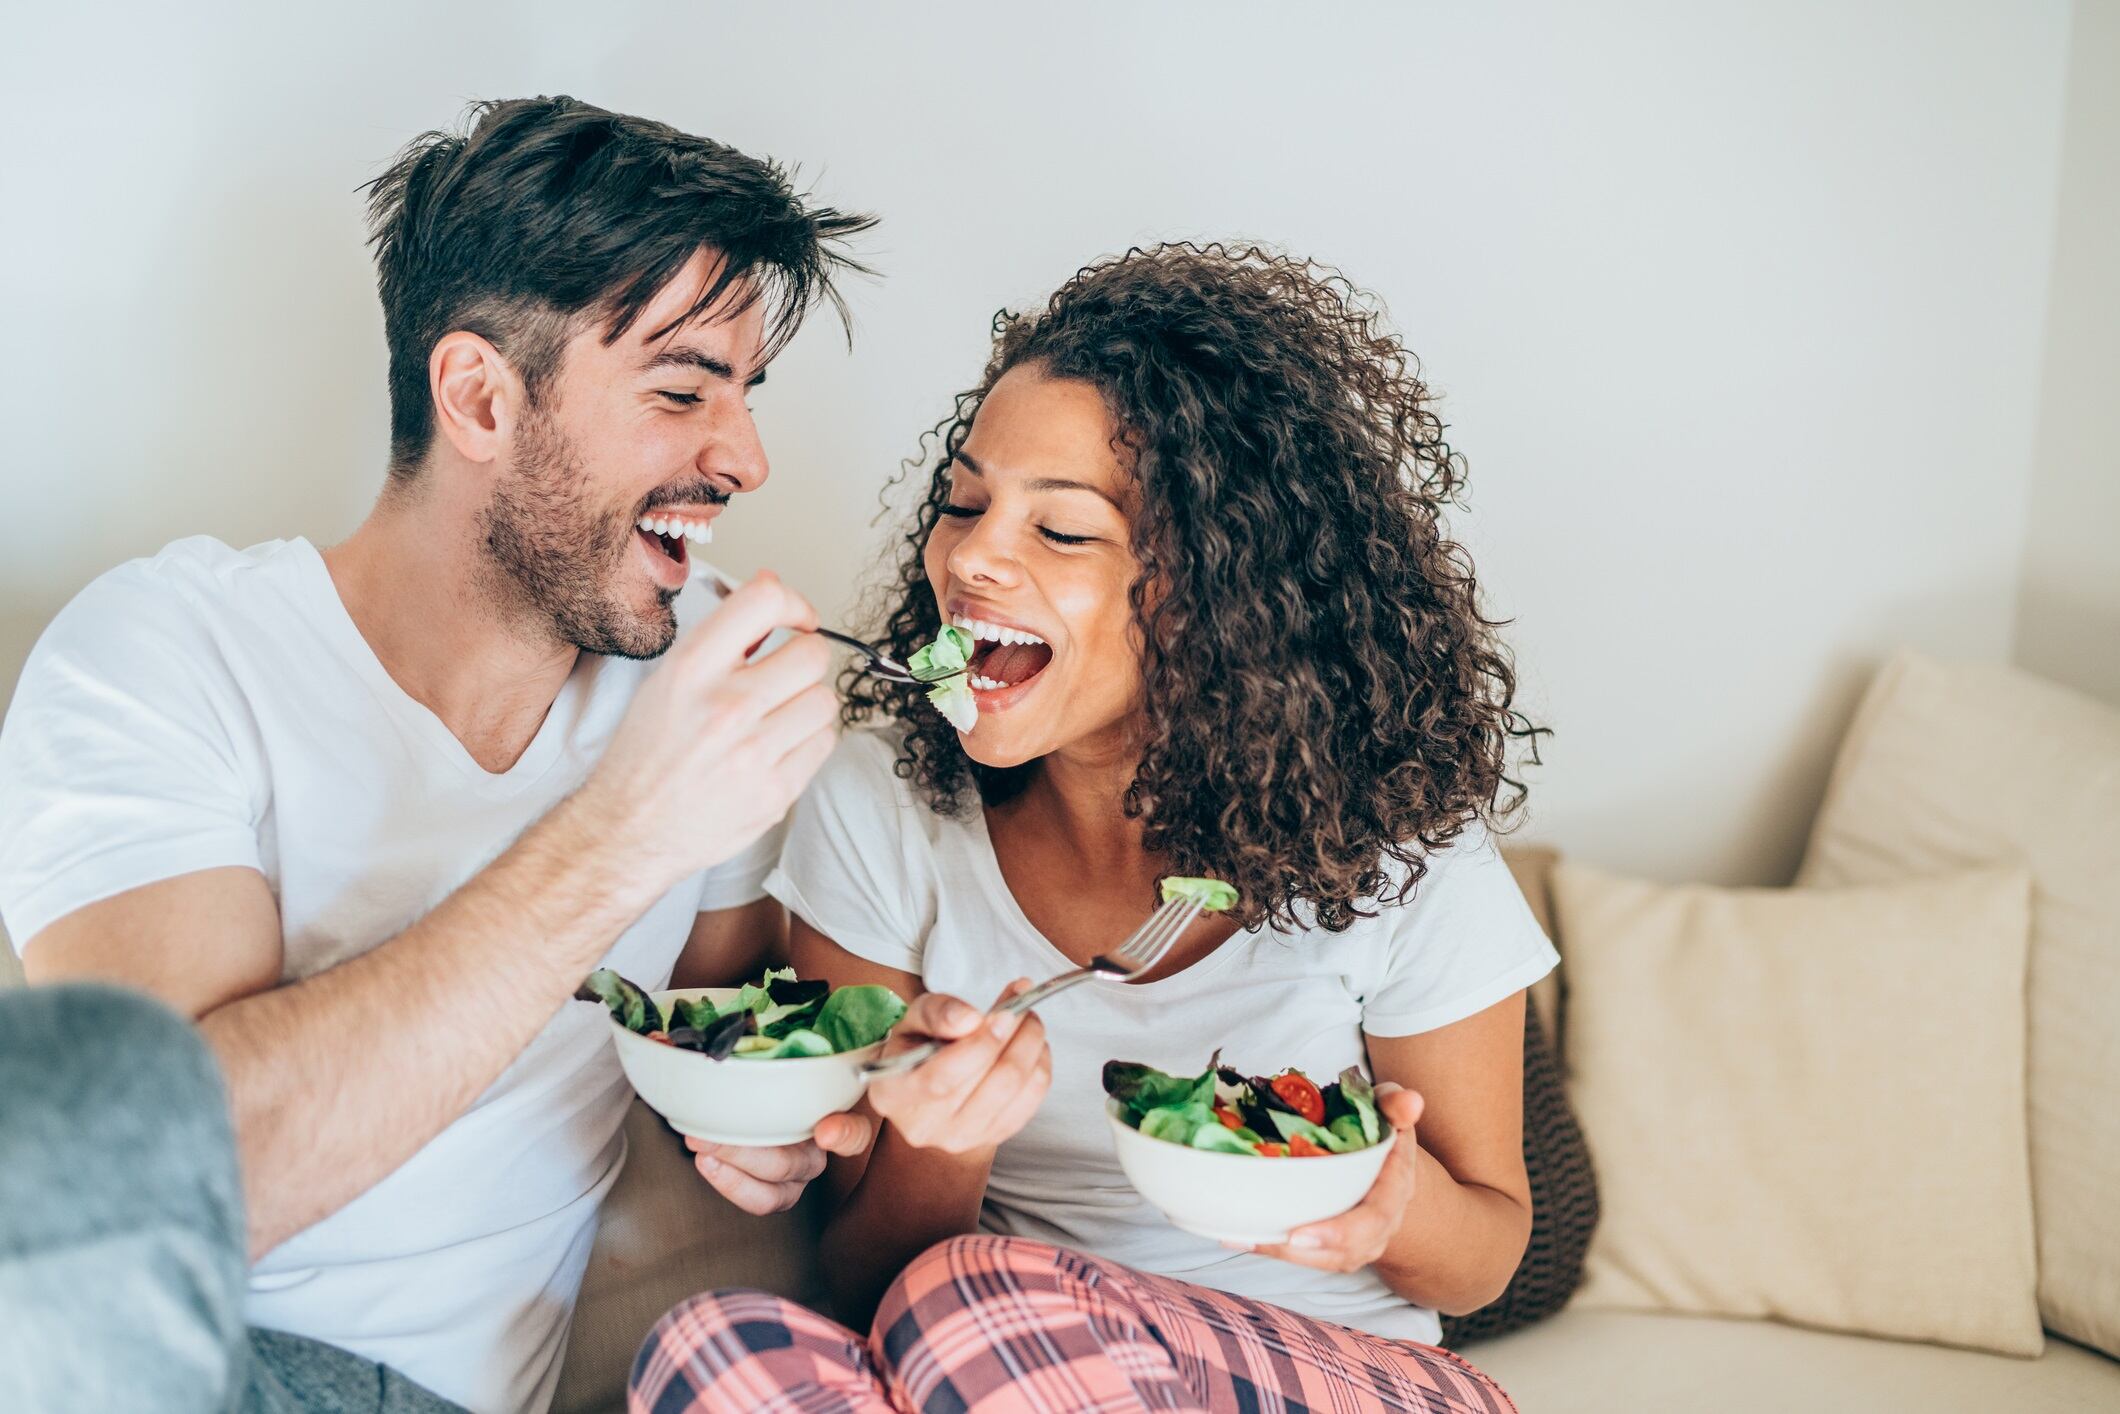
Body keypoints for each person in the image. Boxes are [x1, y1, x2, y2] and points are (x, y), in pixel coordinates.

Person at [0, 96, 872, 1414]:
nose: (742, 456)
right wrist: (628, 828)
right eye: (682, 389)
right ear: (476, 395)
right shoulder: (165, 653)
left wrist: (774, 1119)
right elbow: (154, 1188)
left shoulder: (707, 687)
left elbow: (725, 1034)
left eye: (744, 395)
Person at [629, 244, 1553, 1414]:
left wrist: (1383, 1196)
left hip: (1344, 1377)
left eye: (1058, 532)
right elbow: (863, 1281)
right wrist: (942, 1145)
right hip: (998, 1365)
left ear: (1218, 591)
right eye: (963, 505)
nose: (969, 557)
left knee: (970, 1295)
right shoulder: (880, 809)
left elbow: (1487, 1247)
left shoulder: (1400, 840)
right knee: (718, 1347)